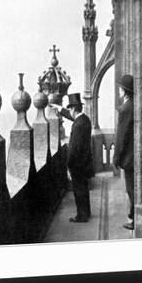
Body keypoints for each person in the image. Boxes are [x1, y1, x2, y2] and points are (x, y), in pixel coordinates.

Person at [52, 93, 94, 223]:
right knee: (84, 188)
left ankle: (81, 216)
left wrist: (69, 166)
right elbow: (72, 117)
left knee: (78, 189)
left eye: (70, 109)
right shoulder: (85, 120)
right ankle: (86, 212)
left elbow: (74, 149)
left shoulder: (78, 125)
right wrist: (59, 108)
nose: (69, 111)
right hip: (85, 162)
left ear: (74, 109)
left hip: (77, 164)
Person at [112, 74, 135, 230]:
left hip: (129, 157)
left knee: (131, 188)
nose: (119, 90)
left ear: (125, 91)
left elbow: (121, 136)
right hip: (133, 155)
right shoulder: (132, 105)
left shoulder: (126, 108)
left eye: (120, 88)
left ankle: (134, 220)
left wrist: (116, 158)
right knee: (132, 188)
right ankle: (133, 218)